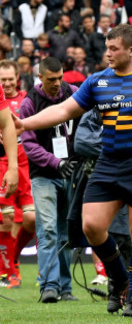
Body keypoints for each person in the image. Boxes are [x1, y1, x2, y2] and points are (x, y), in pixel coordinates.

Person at [15, 26, 132, 316]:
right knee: (91, 227)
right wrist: (25, 123)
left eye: (114, 48)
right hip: (107, 164)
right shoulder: (97, 81)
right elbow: (64, 110)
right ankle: (120, 279)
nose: (107, 52)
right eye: (107, 47)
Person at [19, 57, 77, 303]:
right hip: (43, 175)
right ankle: (49, 286)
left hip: (71, 172)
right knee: (48, 231)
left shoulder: (72, 93)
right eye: (52, 79)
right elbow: (29, 144)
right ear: (40, 77)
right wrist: (56, 163)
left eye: (60, 77)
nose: (57, 83)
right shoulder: (29, 103)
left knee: (65, 233)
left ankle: (65, 288)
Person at [0, 61, 20, 287]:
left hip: (15, 165)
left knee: (11, 220)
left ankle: (9, 268)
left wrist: (13, 167)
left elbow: (7, 124)